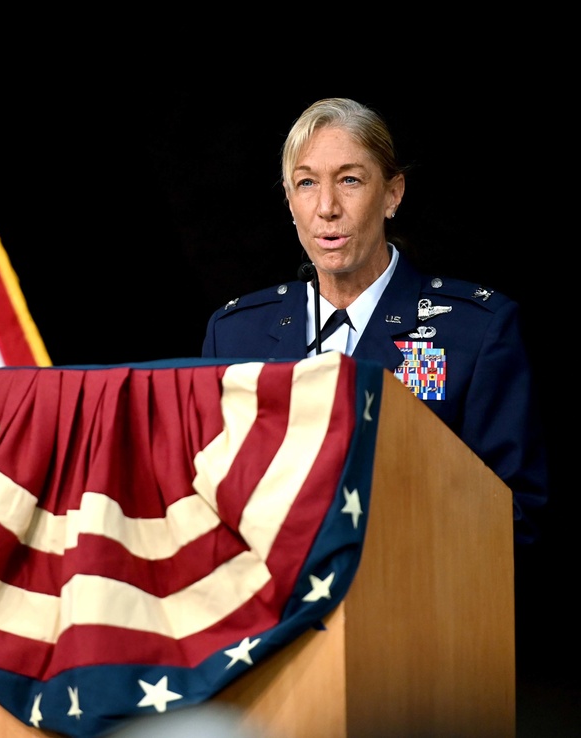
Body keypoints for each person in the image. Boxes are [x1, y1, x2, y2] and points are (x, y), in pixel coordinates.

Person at [201, 97, 546, 542]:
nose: (327, 206)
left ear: (392, 194)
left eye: (349, 180)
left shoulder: (476, 331)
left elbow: (517, 517)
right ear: (290, 202)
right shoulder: (234, 335)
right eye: (307, 183)